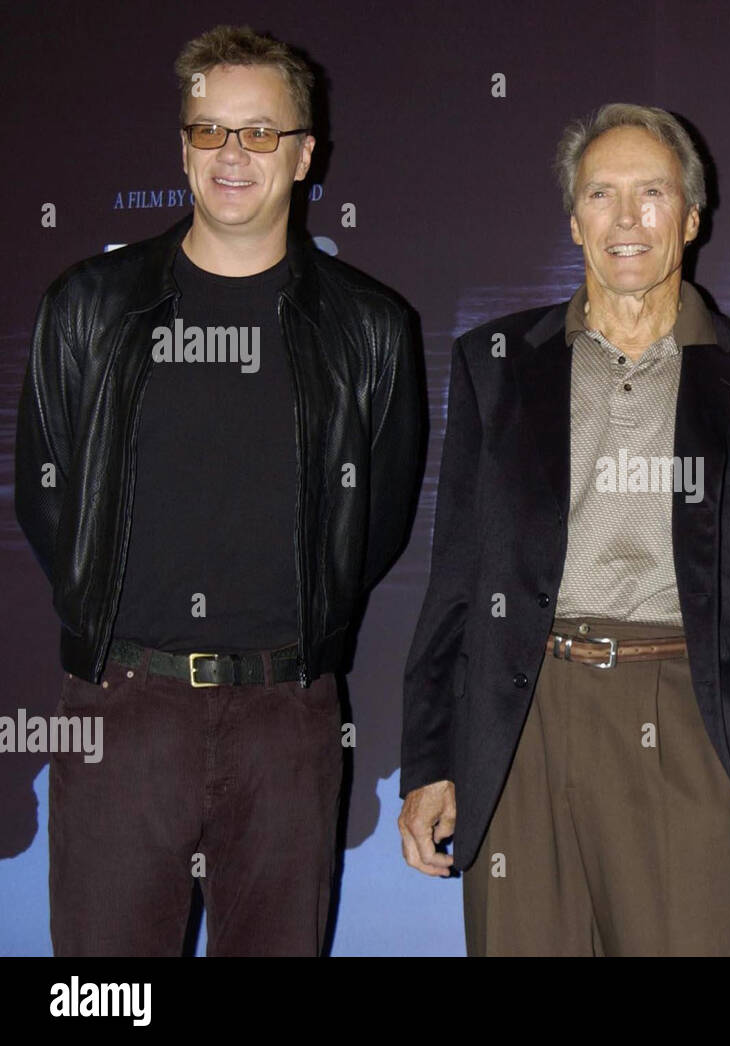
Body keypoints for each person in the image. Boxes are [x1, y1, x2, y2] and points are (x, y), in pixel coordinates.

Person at [14, 25, 424, 956]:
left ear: (305, 153)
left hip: (291, 721)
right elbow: (47, 497)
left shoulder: (370, 327)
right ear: (184, 146)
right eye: (210, 131)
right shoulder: (88, 304)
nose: (232, 155)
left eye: (259, 132)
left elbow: (381, 519)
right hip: (122, 713)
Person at [400, 102, 730, 956]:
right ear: (573, 219)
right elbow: (455, 578)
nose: (627, 219)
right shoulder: (495, 366)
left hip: (690, 721)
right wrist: (433, 759)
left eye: (652, 193)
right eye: (602, 194)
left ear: (693, 215)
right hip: (522, 725)